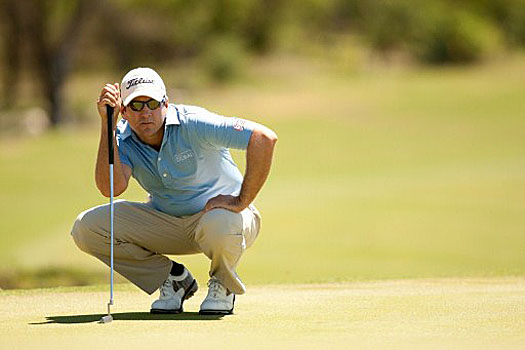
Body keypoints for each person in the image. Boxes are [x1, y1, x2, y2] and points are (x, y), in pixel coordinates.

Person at [71, 67, 277, 315]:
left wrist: (241, 201)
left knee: (221, 220)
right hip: (167, 223)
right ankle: (172, 280)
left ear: (165, 104)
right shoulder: (121, 138)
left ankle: (223, 284)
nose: (145, 112)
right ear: (123, 111)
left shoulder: (194, 122)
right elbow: (111, 188)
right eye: (135, 105)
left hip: (223, 222)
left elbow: (263, 138)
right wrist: (108, 126)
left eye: (152, 103)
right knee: (86, 228)